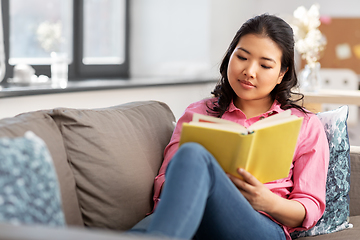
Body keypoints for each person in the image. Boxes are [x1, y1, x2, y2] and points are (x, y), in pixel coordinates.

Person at [144, 14, 329, 240]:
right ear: (230, 56)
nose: (249, 71)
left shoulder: (306, 125)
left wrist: (267, 201)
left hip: (261, 225)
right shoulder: (198, 113)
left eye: (265, 65)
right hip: (194, 213)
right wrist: (206, 180)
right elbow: (165, 182)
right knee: (192, 159)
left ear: (281, 73)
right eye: (242, 57)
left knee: (192, 153)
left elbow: (309, 207)